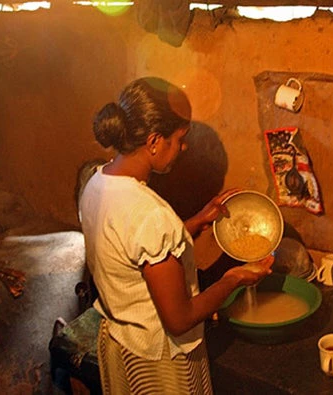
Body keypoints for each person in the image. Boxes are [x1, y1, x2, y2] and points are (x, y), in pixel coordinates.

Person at [79, 77, 274, 394]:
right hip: (159, 362)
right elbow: (180, 319)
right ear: (154, 141)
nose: (183, 147)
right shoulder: (151, 215)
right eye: (180, 139)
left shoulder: (97, 182)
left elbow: (134, 248)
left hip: (122, 346)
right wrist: (234, 278)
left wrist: (198, 220)